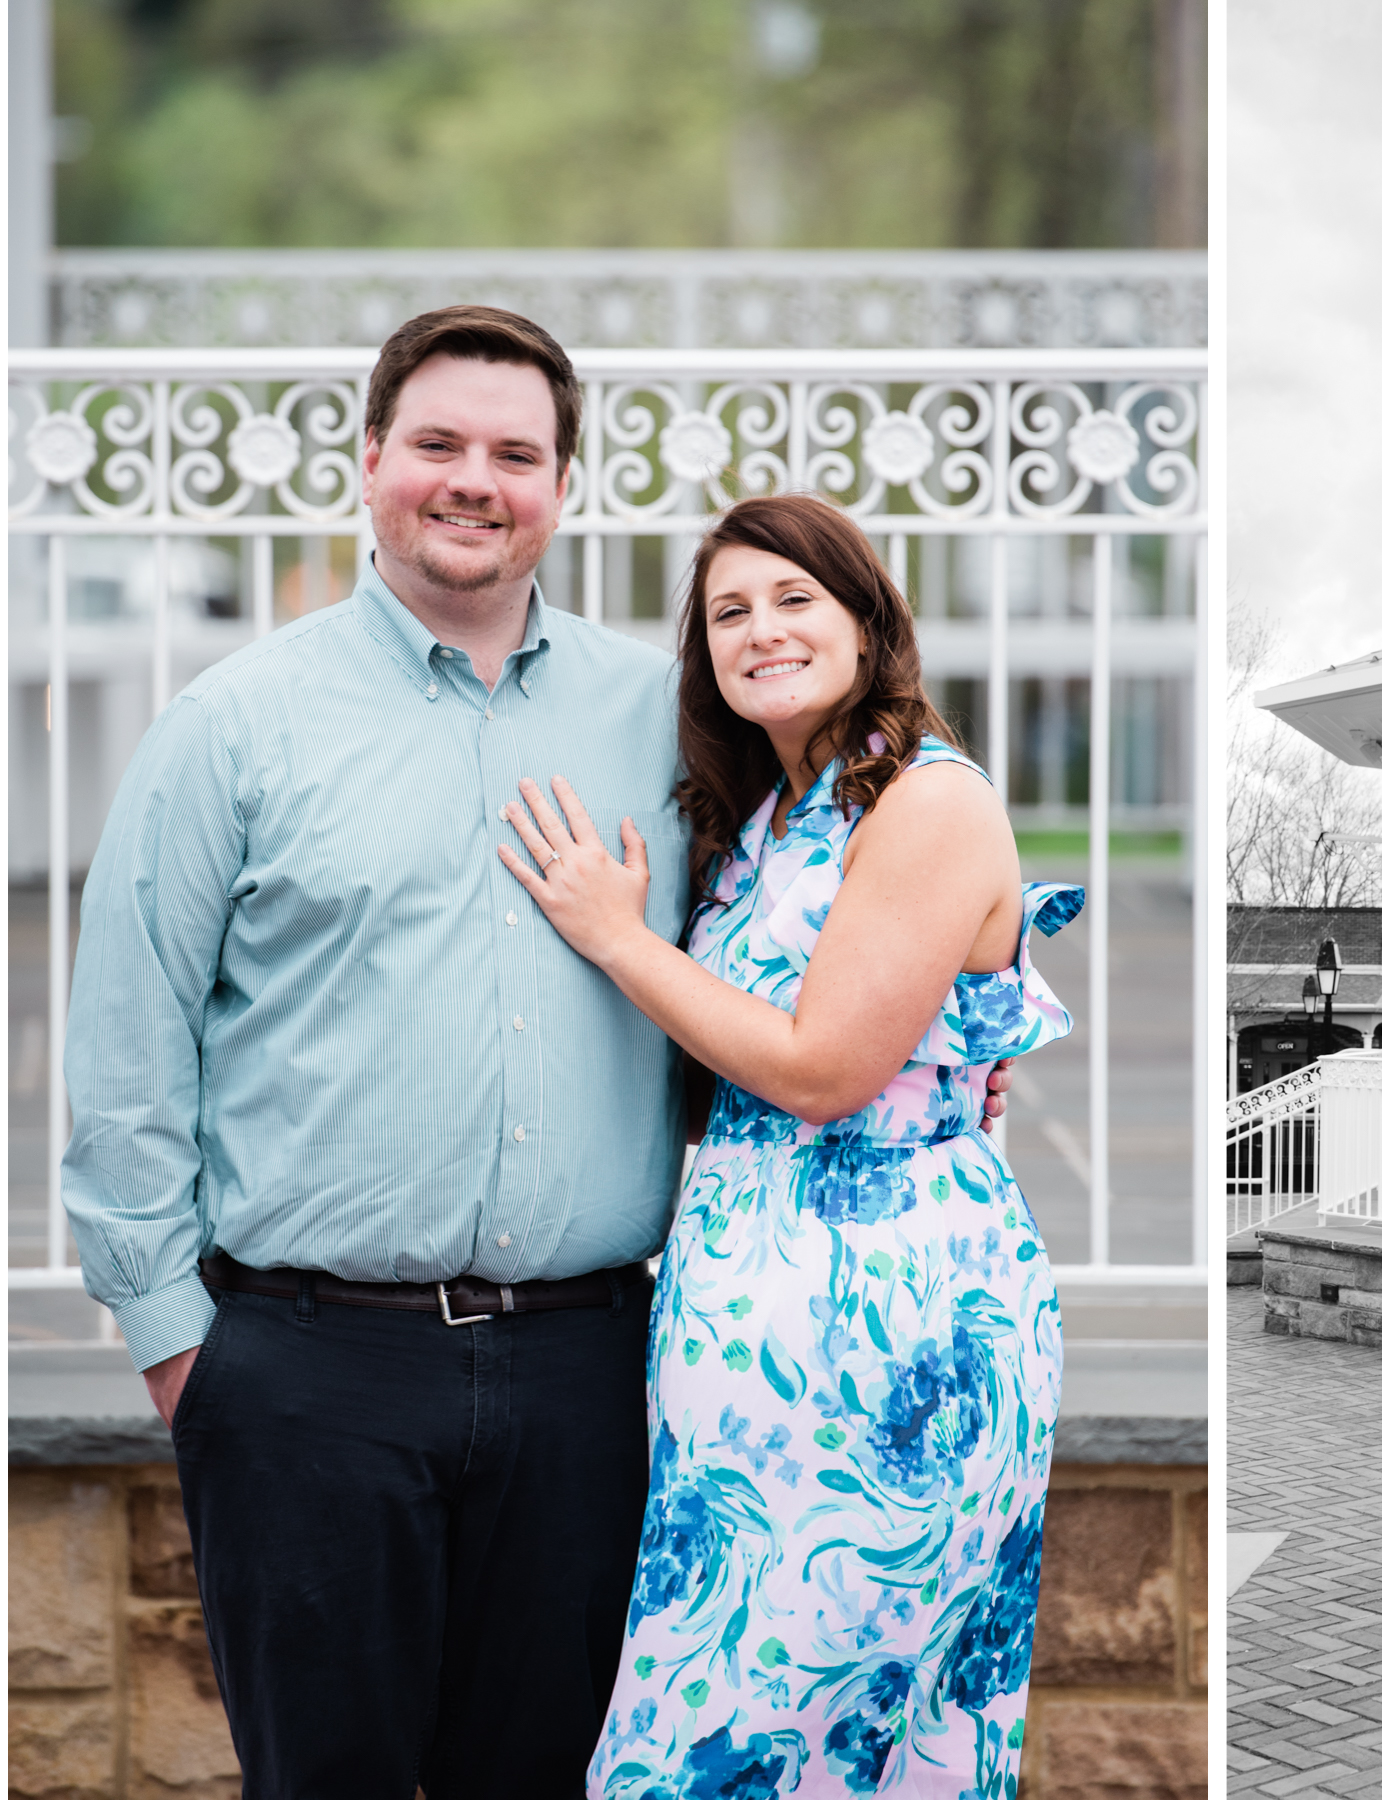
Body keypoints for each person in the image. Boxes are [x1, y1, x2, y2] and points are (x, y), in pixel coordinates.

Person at [56, 305, 1011, 1794]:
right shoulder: (231, 727)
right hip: (309, 1374)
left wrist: (950, 1068)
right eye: (437, 444)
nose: (473, 479)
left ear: (564, 484)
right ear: (370, 461)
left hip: (591, 1374)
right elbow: (124, 1058)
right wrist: (183, 1350)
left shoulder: (671, 719)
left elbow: (827, 925)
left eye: (516, 452)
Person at [493, 493, 1074, 1798]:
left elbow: (820, 1071)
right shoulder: (765, 818)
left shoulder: (924, 801)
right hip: (743, 1306)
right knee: (727, 1688)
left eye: (794, 598)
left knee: (817, 1703)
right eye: (728, 613)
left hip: (889, 1328)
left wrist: (617, 933)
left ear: (867, 617)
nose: (761, 631)